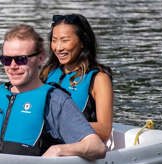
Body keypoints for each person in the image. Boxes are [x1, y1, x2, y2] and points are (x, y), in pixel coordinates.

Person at [0, 24, 106, 160]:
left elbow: (96, 146)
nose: (12, 66)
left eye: (21, 59)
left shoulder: (55, 101)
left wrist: (58, 150)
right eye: (6, 60)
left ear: (41, 58)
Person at [40, 14, 113, 142]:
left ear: (83, 42)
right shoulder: (47, 72)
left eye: (65, 40)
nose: (58, 47)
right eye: (54, 40)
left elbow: (105, 130)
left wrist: (58, 124)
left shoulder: (99, 79)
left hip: (76, 150)